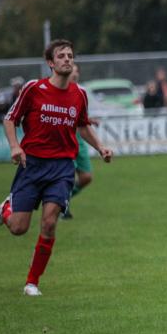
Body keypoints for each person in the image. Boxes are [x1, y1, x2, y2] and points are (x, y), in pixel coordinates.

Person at [0, 40, 113, 296]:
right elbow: (10, 118)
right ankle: (5, 209)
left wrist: (101, 147)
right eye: (61, 56)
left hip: (62, 167)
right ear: (50, 63)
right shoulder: (33, 89)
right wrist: (15, 146)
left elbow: (82, 125)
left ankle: (32, 283)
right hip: (32, 164)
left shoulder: (79, 94)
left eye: (70, 55)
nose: (67, 59)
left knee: (49, 223)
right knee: (18, 228)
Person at [61, 63, 98, 219]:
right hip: (64, 138)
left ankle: (61, 200)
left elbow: (80, 116)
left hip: (79, 137)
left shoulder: (81, 92)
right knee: (67, 176)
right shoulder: (59, 90)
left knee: (86, 177)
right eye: (72, 71)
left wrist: (89, 120)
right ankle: (62, 207)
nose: (75, 74)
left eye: (77, 71)